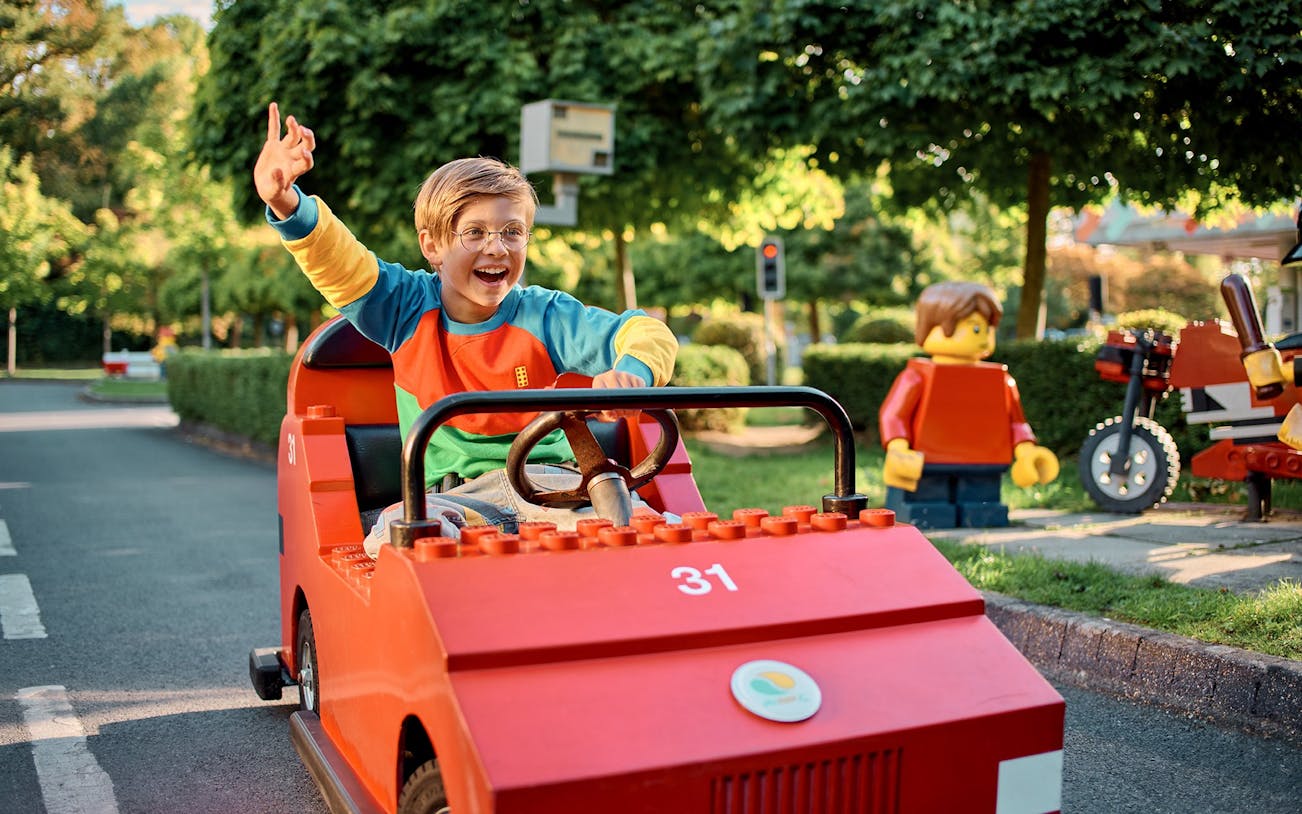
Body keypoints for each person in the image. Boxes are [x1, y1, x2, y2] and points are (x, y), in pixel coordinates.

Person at [253, 103, 678, 556]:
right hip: (455, 498)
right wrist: (286, 203)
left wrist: (631, 373)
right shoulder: (405, 308)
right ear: (432, 245)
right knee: (400, 536)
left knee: (648, 534)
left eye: (513, 231)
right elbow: (341, 263)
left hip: (556, 488)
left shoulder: (545, 315)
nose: (497, 248)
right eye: (474, 233)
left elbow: (646, 332)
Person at [878, 281, 1058, 529]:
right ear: (933, 326)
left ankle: (980, 514)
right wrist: (898, 446)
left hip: (983, 462)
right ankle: (928, 513)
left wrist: (1026, 451)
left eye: (988, 328)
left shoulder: (1001, 381)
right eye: (975, 327)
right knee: (929, 503)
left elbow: (1015, 421)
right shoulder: (917, 376)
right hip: (927, 462)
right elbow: (893, 414)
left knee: (981, 502)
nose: (984, 336)